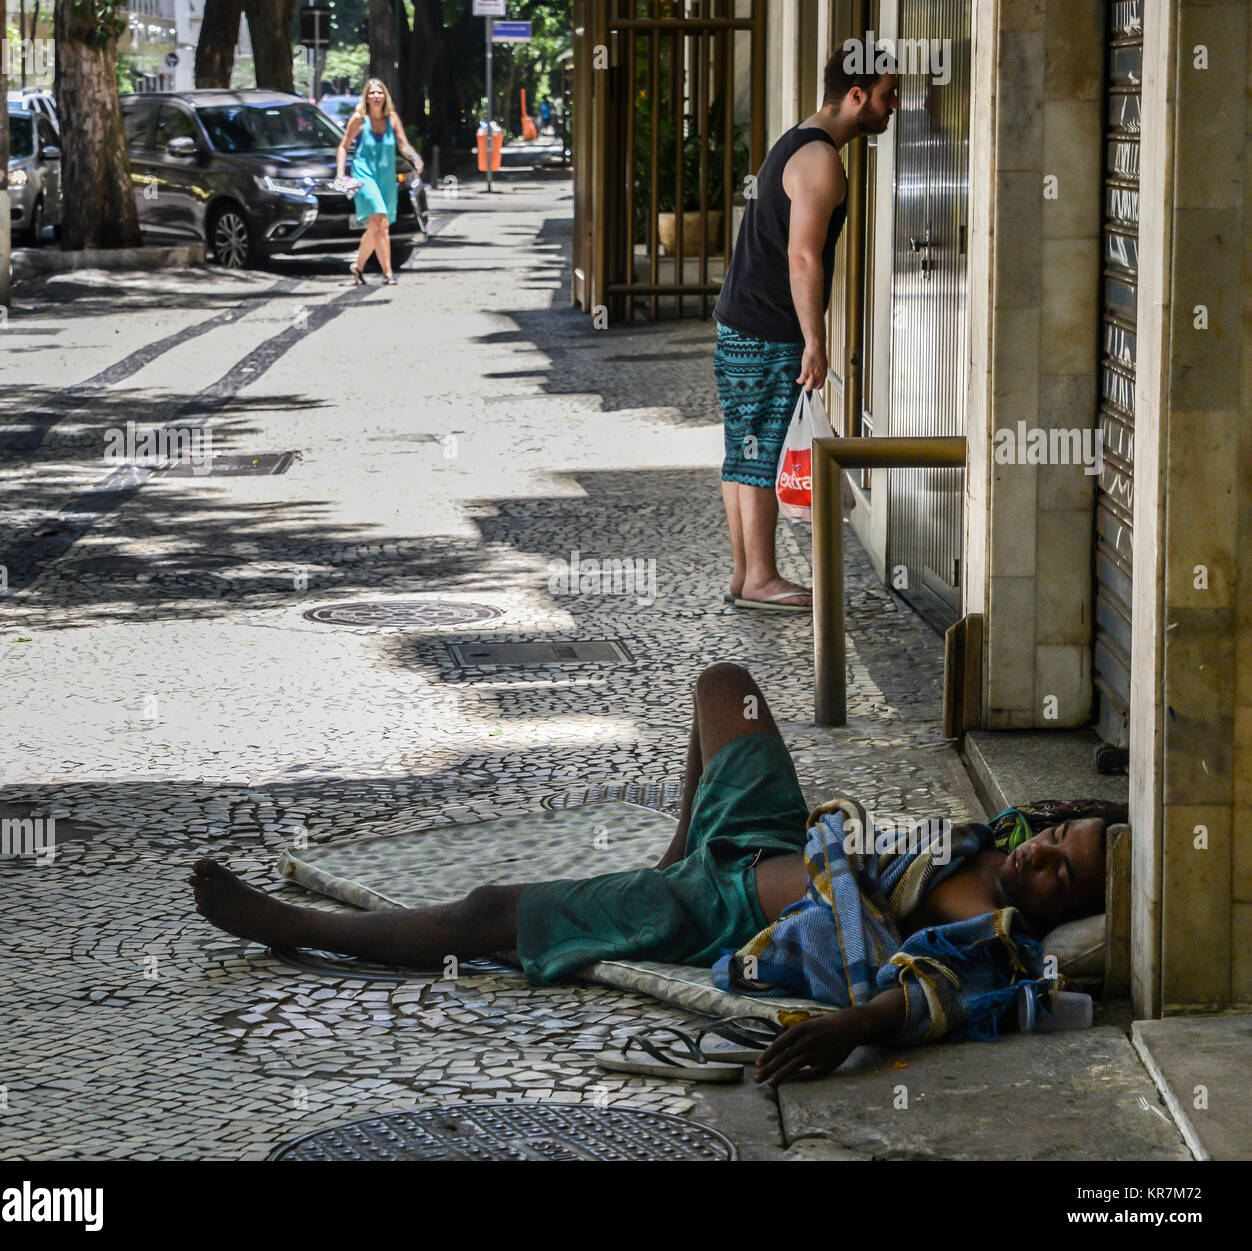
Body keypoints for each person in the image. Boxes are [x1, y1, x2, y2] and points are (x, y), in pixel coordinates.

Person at [190, 662, 1125, 1085]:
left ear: (1068, 911)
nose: (1043, 862)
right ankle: (674, 845)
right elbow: (1004, 837)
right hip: (765, 836)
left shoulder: (994, 942)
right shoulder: (997, 845)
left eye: (1062, 880)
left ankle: (292, 928)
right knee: (728, 683)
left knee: (489, 913)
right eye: (1059, 841)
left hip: (717, 906)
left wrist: (848, 1026)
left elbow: (930, 1002)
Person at [713, 44, 898, 611]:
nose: (893, 110)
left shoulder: (796, 140)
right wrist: (815, 341)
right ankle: (762, 577)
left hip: (739, 322)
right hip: (768, 329)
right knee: (761, 452)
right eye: (888, 97)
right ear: (857, 95)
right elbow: (802, 257)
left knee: (742, 452)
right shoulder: (822, 163)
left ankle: (747, 576)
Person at [336, 78, 424, 286]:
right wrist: (341, 174)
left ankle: (357, 267)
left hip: (385, 176)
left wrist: (415, 158)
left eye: (380, 93)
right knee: (381, 220)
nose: (376, 96)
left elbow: (403, 145)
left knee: (376, 225)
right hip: (363, 175)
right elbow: (343, 146)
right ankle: (388, 272)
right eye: (372, 93)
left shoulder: (391, 119)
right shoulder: (359, 119)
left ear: (385, 96)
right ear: (366, 97)